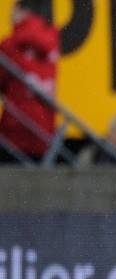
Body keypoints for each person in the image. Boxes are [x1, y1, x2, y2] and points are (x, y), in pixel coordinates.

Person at [0, 0, 59, 161]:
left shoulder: (10, 44)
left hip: (15, 126)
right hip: (44, 126)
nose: (10, 16)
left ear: (23, 11)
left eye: (13, 11)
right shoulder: (51, 40)